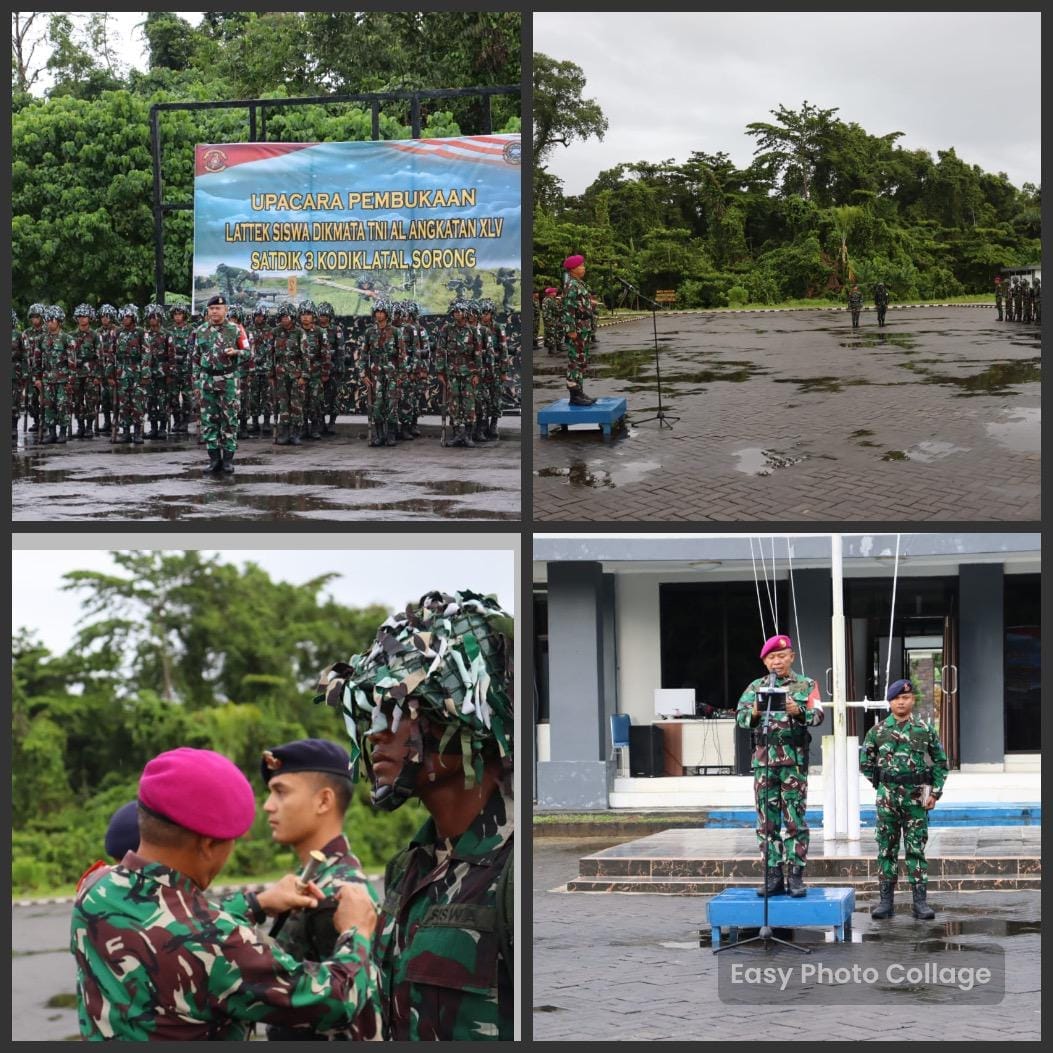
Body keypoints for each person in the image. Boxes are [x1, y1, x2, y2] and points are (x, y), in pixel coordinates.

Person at [70, 747, 382, 1040]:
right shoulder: (218, 942)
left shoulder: (95, 887)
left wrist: (256, 904)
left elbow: (173, 926)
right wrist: (357, 932)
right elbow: (336, 1000)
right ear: (208, 845)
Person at [316, 589, 514, 1040]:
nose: (373, 734)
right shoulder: (410, 867)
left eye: (395, 710)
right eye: (368, 716)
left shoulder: (511, 871)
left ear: (463, 719)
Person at [232, 739, 379, 1042]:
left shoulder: (339, 892)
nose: (268, 805)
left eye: (281, 792)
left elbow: (353, 1013)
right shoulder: (308, 880)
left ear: (324, 801)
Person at [735, 634, 824, 897]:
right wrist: (754, 713)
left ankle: (795, 876)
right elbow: (740, 718)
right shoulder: (755, 687)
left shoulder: (807, 685)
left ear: (791, 657)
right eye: (772, 657)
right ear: (765, 661)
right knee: (767, 822)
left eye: (782, 656)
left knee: (795, 819)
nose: (777, 661)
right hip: (764, 764)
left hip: (793, 764)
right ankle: (772, 875)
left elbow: (818, 715)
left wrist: (798, 711)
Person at [860, 678, 948, 921]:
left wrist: (935, 793)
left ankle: (920, 902)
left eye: (906, 697)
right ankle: (885, 902)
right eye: (897, 698)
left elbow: (941, 763)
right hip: (887, 801)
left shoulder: (924, 729)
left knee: (915, 850)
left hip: (916, 800)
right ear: (890, 702)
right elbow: (865, 764)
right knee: (886, 850)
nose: (902, 701)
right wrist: (882, 785)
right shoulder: (877, 732)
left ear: (913, 700)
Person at [194, 293, 251, 474]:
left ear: (226, 310)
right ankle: (214, 460)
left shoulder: (236, 329)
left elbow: (249, 353)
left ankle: (228, 460)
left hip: (228, 381)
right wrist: (197, 382)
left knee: (229, 420)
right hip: (207, 381)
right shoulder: (200, 330)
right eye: (211, 309)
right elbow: (195, 358)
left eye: (218, 308)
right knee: (208, 421)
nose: (214, 312)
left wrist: (236, 352)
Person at [437, 300, 480, 447]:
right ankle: (456, 434)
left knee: (469, 404)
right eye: (455, 311)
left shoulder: (473, 330)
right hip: (452, 371)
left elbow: (478, 353)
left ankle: (468, 435)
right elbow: (441, 351)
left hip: (469, 371)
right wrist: (440, 371)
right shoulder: (447, 329)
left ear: (465, 313)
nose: (457, 314)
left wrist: (477, 374)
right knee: (453, 403)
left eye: (460, 311)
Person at [362, 298, 404, 447]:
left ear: (387, 314)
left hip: (392, 373)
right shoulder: (369, 332)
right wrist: (364, 375)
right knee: (377, 405)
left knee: (392, 404)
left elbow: (401, 355)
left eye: (382, 312)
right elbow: (364, 355)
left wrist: (401, 375)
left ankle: (391, 435)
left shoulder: (395, 332)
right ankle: (379, 435)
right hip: (376, 374)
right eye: (377, 312)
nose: (379, 315)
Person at [561, 254, 597, 405]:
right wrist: (570, 329)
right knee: (574, 361)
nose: (584, 268)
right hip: (577, 330)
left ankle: (579, 392)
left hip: (584, 328)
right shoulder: (571, 285)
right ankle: (574, 393)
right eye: (581, 266)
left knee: (581, 360)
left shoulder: (579, 283)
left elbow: (579, 304)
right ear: (573, 269)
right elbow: (568, 309)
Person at [40, 305, 76, 445]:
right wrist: (37, 378)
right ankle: (52, 433)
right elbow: (38, 359)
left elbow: (72, 361)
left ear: (59, 321)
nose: (49, 323)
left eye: (52, 320)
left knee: (62, 405)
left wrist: (71, 380)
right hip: (48, 378)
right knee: (48, 405)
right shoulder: (43, 338)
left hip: (63, 378)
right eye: (47, 320)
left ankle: (62, 432)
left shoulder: (67, 339)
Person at [272, 301, 306, 446]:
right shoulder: (275, 332)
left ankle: (295, 433)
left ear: (292, 317)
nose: (284, 319)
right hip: (280, 372)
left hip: (296, 372)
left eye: (286, 316)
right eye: (281, 317)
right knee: (283, 403)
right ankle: (284, 433)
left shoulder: (299, 332)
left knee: (296, 403)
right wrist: (270, 374)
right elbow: (271, 354)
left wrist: (304, 375)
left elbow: (305, 355)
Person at [541, 287, 561, 356]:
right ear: (551, 293)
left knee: (550, 333)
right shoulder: (549, 300)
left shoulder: (547, 299)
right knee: (551, 334)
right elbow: (555, 309)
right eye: (554, 292)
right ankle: (551, 349)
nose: (555, 293)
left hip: (549, 319)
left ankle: (551, 348)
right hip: (550, 319)